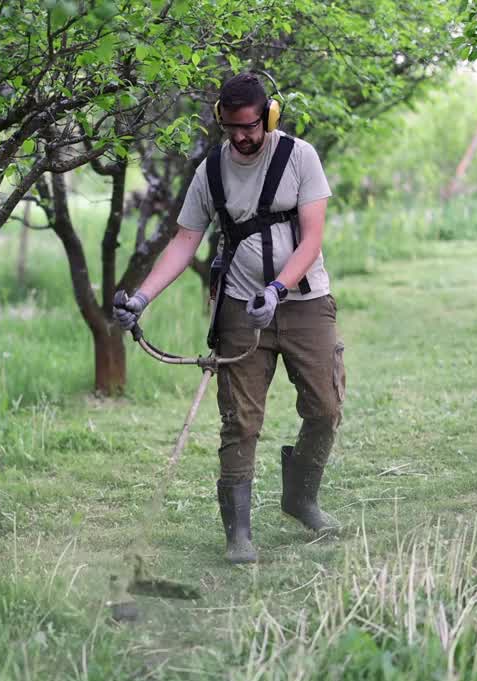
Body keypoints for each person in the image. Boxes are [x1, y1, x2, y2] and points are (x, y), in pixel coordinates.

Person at [113, 72, 346, 564]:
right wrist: (142, 297)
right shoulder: (211, 170)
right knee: (239, 421)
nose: (241, 137)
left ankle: (301, 497)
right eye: (231, 127)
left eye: (250, 127)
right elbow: (184, 241)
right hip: (239, 306)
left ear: (270, 117)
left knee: (325, 409)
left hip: (304, 302)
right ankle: (238, 533)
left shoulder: (299, 157)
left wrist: (279, 287)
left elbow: (311, 239)